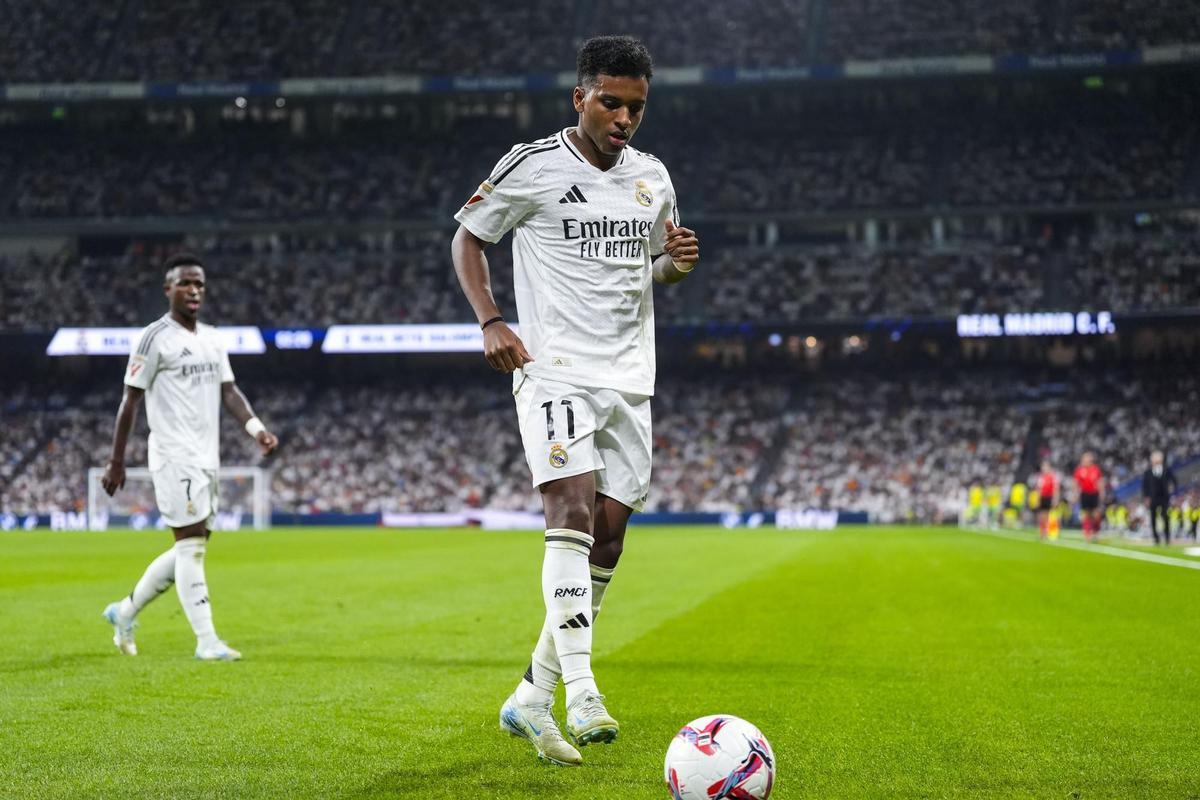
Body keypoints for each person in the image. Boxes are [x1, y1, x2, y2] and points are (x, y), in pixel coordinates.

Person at [450, 36, 698, 767]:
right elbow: (468, 240)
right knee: (569, 510)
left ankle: (531, 696)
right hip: (554, 369)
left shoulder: (652, 177)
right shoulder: (532, 166)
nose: (625, 117)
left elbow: (650, 268)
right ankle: (583, 687)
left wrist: (676, 266)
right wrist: (491, 320)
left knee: (610, 535)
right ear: (580, 98)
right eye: (611, 102)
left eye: (636, 106)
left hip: (629, 377)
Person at [100, 254, 279, 660]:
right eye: (185, 284)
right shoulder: (153, 338)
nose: (194, 290)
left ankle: (124, 611)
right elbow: (130, 400)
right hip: (172, 455)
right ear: (168, 290)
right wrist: (116, 461)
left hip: (206, 457)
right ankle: (207, 641)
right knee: (191, 546)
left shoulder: (213, 339)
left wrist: (256, 429)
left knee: (193, 543)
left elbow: (229, 391)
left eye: (199, 284)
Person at [1141, 450, 1177, 545]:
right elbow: (1145, 486)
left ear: (1161, 459)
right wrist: (1146, 497)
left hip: (1164, 497)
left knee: (1165, 517)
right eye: (1154, 458)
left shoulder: (1166, 470)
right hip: (1153, 498)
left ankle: (1167, 537)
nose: (1156, 460)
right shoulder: (1148, 472)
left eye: (1158, 458)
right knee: (1153, 518)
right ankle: (1156, 538)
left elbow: (1174, 481)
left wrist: (1172, 489)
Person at [1072, 452, 1104, 542]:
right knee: (1086, 515)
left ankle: (1096, 532)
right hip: (1084, 494)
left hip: (1094, 494)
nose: (1086, 460)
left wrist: (1101, 493)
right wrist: (1075, 494)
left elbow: (1100, 481)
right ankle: (1087, 534)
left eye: (1087, 459)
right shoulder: (1079, 470)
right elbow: (1075, 483)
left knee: (1096, 514)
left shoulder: (1095, 469)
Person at [1036, 461, 1059, 540]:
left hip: (1049, 497)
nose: (1044, 468)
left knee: (1048, 516)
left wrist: (1055, 499)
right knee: (1041, 516)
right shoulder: (1041, 477)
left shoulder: (1052, 477)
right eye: (1043, 466)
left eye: (1045, 466)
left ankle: (1047, 532)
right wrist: (1038, 499)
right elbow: (1039, 489)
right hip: (1042, 497)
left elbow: (1055, 489)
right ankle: (1042, 532)